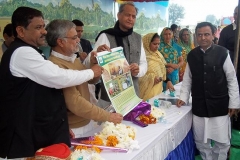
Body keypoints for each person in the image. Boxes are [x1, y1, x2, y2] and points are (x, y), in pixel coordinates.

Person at [0, 7, 103, 159]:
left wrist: (57, 125)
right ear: (21, 31)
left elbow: (43, 96)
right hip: (19, 134)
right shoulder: (22, 53)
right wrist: (92, 72)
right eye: (38, 27)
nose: (44, 32)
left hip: (36, 129)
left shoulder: (34, 52)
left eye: (43, 26)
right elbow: (59, 78)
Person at [46, 19, 123, 138]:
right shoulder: (56, 66)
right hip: (74, 129)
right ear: (61, 42)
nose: (78, 40)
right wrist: (108, 116)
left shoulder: (72, 58)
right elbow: (75, 103)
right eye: (74, 37)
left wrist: (94, 62)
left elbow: (91, 81)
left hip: (86, 121)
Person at [177, 22, 240, 160]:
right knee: (201, 141)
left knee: (222, 142)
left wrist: (234, 103)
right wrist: (183, 97)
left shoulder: (223, 53)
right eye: (199, 35)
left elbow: (231, 79)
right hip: (200, 107)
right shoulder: (192, 55)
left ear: (213, 35)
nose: (203, 38)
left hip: (220, 106)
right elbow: (188, 79)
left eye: (206, 34)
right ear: (196, 37)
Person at [84, 2, 147, 109]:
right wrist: (94, 58)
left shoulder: (138, 38)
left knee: (131, 126)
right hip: (110, 99)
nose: (130, 19)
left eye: (133, 16)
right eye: (127, 15)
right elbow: (87, 63)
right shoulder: (105, 36)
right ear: (119, 15)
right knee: (109, 126)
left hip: (133, 96)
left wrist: (138, 70)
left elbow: (144, 63)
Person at [139, 33, 174, 101]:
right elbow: (138, 77)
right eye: (154, 44)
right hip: (148, 92)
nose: (157, 46)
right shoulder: (142, 58)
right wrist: (152, 78)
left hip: (158, 90)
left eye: (158, 44)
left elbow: (161, 71)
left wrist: (168, 81)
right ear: (147, 43)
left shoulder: (158, 55)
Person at [72, 19, 98, 104]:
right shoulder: (68, 44)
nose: (80, 33)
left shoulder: (86, 42)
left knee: (91, 100)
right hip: (75, 78)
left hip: (89, 75)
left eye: (81, 31)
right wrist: (79, 57)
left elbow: (92, 56)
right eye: (77, 31)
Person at [219, 6, 239, 89]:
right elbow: (221, 51)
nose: (237, 16)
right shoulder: (226, 31)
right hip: (231, 66)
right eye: (236, 14)